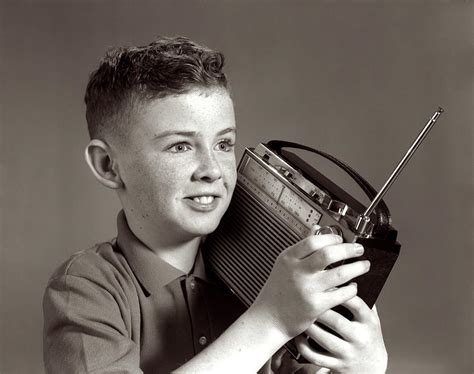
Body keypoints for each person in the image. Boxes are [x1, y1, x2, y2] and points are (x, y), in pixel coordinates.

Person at [43, 36, 388, 373]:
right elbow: (269, 321)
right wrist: (270, 320)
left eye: (223, 144)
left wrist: (365, 367)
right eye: (180, 146)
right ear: (108, 165)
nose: (212, 170)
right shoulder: (84, 290)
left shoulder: (266, 270)